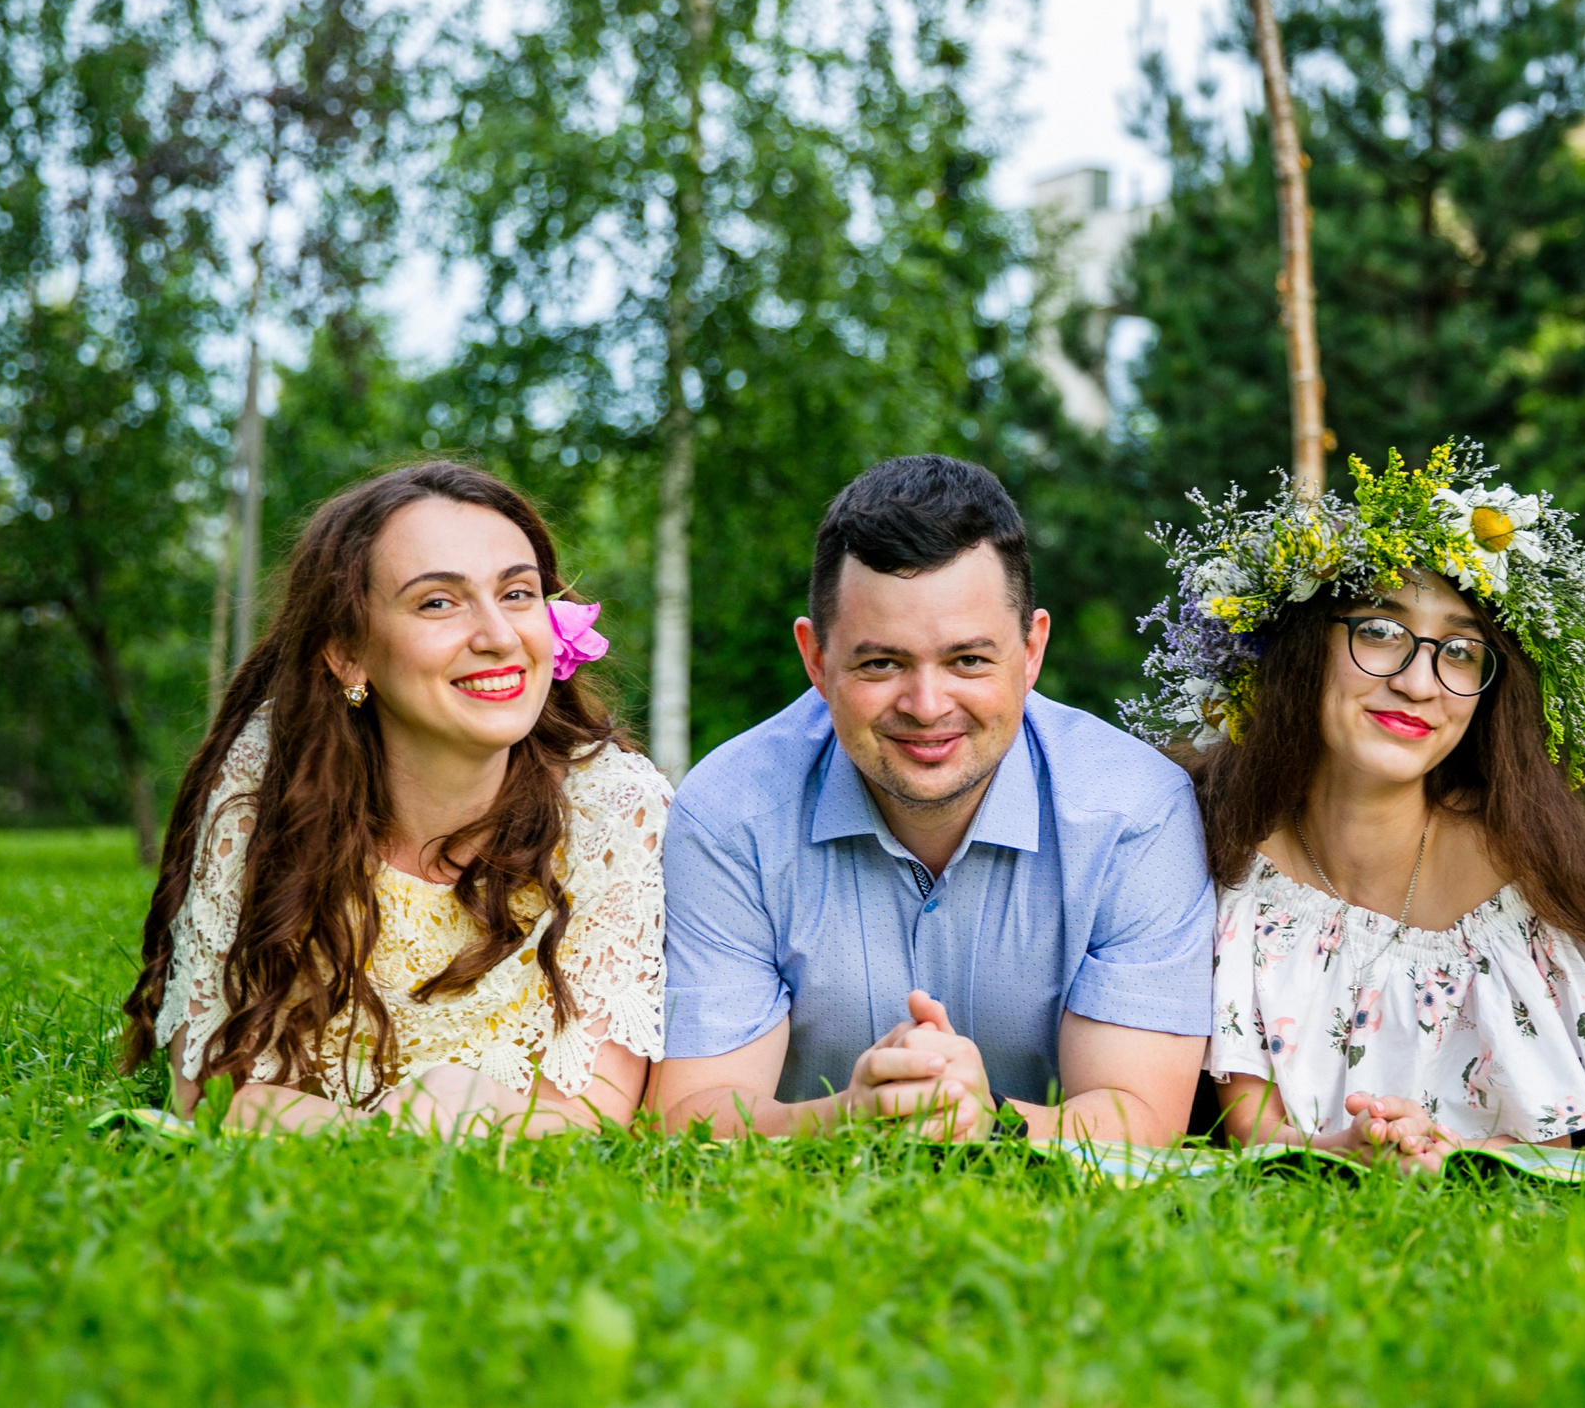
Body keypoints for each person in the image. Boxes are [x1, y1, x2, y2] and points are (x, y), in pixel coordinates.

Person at [1127, 442, 1585, 1170]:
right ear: (1307, 646)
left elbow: (1552, 1140)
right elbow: (1254, 1128)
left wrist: (1449, 1153)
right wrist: (1341, 1150)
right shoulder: (1221, 853)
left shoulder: (1515, 878)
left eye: (1460, 652)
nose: (1418, 682)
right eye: (1379, 631)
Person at [650, 456, 1215, 1145]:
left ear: (1032, 649)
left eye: (968, 660)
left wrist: (990, 1119)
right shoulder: (728, 811)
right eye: (881, 663)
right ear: (816, 659)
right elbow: (689, 1116)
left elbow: (1142, 1118)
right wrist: (853, 1115)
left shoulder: (1136, 811)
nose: (926, 705)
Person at [120, 461, 671, 1137]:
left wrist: (360, 1119)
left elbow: (594, 1115)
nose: (498, 635)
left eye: (519, 593)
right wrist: (422, 1121)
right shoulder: (267, 782)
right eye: (438, 601)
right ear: (348, 654)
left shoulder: (611, 805)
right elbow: (211, 1092)